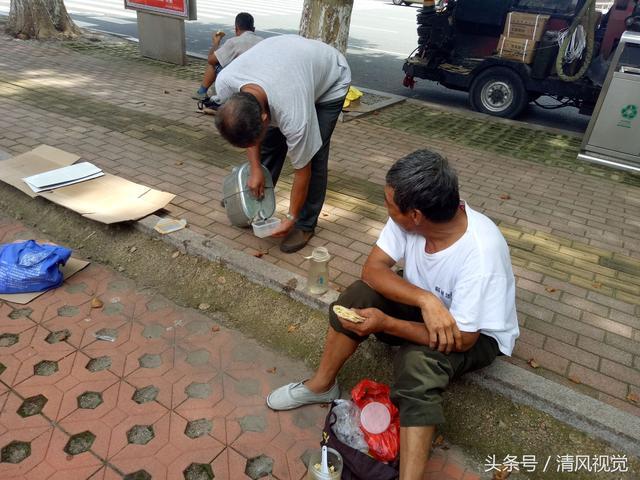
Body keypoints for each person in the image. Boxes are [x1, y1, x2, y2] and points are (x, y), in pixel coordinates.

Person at [266, 149, 519, 480]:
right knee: (358, 296)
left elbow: (462, 338)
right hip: (425, 304)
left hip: (475, 335)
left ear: (415, 215)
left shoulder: (481, 254)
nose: (387, 211)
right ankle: (321, 385)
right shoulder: (413, 217)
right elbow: (373, 270)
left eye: (390, 207)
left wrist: (388, 324)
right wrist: (426, 300)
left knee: (417, 364)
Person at [214, 34, 351, 253]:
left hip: (330, 79)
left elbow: (302, 170)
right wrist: (255, 169)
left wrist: (291, 216)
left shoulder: (293, 113)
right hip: (289, 66)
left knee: (314, 156)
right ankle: (257, 195)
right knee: (269, 145)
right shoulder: (226, 85)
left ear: (265, 118)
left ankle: (305, 224)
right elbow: (248, 129)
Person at [193, 12, 262, 102]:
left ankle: (201, 92)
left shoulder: (234, 42)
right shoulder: (263, 42)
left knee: (214, 63)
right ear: (253, 29)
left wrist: (216, 43)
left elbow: (211, 60)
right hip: (258, 79)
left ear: (236, 28)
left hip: (237, 79)